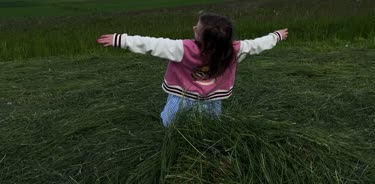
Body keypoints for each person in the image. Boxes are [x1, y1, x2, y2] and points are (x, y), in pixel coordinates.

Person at [97, 13, 288, 127]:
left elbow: (153, 44)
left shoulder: (184, 48)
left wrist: (120, 39)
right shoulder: (235, 49)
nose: (193, 27)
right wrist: (276, 36)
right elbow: (258, 44)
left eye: (197, 29)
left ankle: (173, 135)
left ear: (203, 38)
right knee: (211, 123)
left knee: (171, 123)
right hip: (214, 97)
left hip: (182, 97)